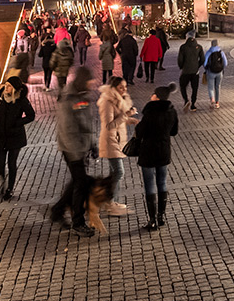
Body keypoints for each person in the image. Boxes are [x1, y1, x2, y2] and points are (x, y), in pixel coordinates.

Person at [51, 66, 99, 236]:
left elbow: (87, 123)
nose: (92, 84)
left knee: (77, 182)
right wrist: (76, 153)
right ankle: (78, 222)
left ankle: (57, 211)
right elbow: (67, 129)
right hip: (72, 149)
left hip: (82, 147)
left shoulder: (82, 96)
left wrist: (93, 144)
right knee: (82, 183)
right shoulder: (68, 99)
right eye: (90, 81)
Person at [135, 84, 179, 231]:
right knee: (162, 183)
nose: (151, 95)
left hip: (148, 152)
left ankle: (152, 220)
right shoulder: (171, 111)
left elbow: (140, 132)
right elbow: (174, 131)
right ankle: (161, 217)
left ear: (157, 96)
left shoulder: (149, 112)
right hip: (164, 151)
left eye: (153, 94)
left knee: (149, 185)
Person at [0, 74, 35, 200]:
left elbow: (31, 115)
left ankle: (9, 189)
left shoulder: (21, 100)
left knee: (11, 164)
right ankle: (3, 184)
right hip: (0, 136)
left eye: (9, 86)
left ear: (14, 88)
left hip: (15, 137)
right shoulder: (0, 99)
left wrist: (17, 123)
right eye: (6, 85)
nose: (6, 88)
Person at [97, 76, 138, 216]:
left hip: (118, 140)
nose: (124, 90)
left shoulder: (119, 100)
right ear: (113, 88)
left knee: (114, 173)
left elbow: (118, 120)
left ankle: (111, 201)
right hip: (110, 141)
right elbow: (109, 125)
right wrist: (127, 115)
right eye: (121, 87)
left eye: (125, 87)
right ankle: (108, 202)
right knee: (119, 172)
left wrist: (130, 120)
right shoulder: (107, 102)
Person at [177, 32, 205, 111]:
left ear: (187, 37)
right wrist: (197, 66)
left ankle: (186, 100)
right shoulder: (199, 47)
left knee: (182, 86)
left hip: (185, 71)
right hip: (195, 72)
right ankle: (193, 104)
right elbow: (202, 59)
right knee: (195, 88)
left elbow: (180, 60)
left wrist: (181, 66)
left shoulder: (183, 47)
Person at [203, 39, 228, 108]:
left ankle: (212, 99)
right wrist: (221, 67)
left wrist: (207, 68)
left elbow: (204, 63)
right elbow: (226, 63)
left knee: (210, 87)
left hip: (211, 72)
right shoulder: (221, 52)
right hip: (219, 72)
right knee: (217, 87)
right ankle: (217, 103)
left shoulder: (209, 52)